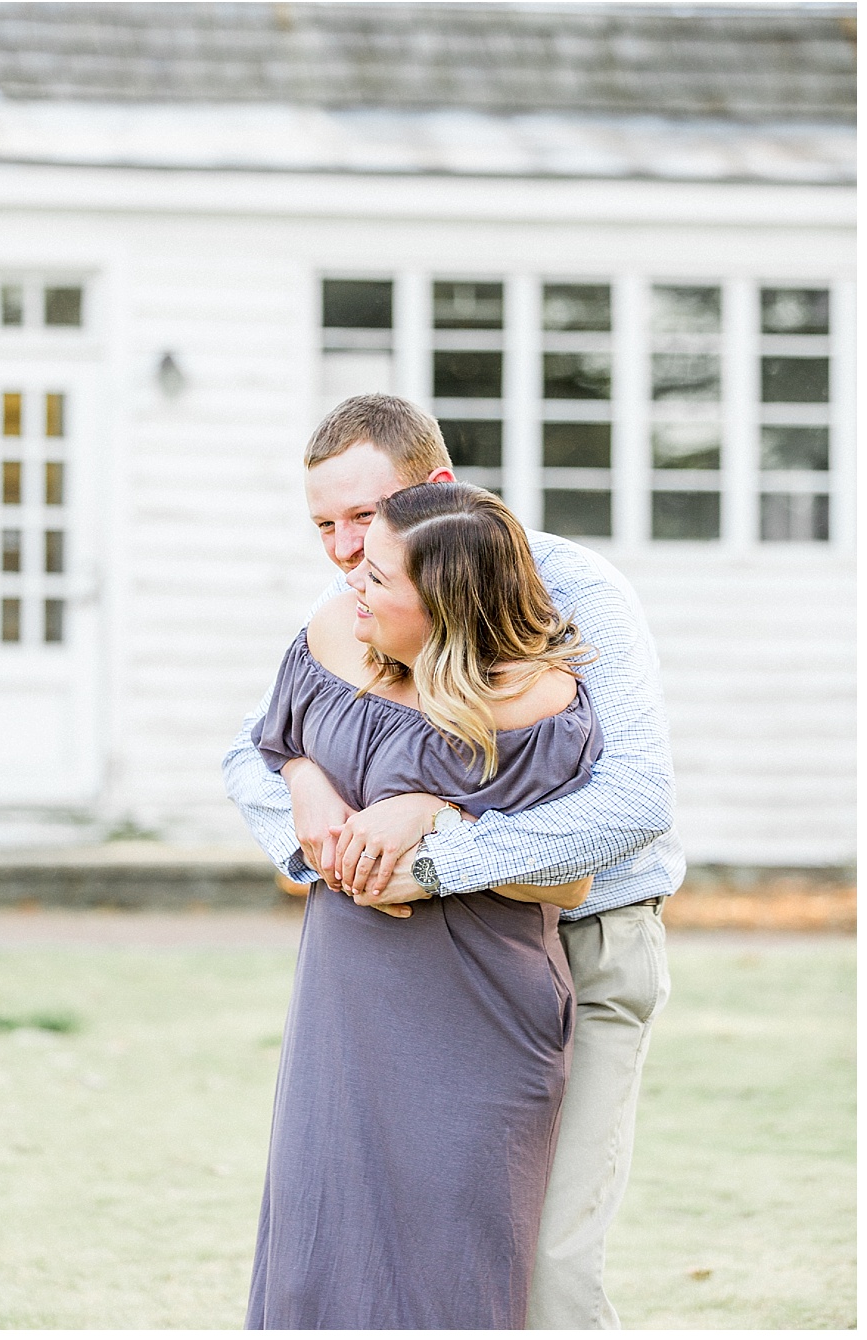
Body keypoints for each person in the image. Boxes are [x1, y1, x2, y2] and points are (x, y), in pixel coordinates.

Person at [224, 394, 682, 1329]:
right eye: (326, 526)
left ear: (439, 492)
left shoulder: (572, 591)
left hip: (581, 950)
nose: (348, 550)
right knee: (343, 1248)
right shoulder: (360, 605)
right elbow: (256, 748)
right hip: (394, 975)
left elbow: (633, 801)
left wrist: (432, 845)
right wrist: (311, 808)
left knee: (541, 1274)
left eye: (367, 516)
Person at [247, 480, 599, 1327]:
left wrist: (440, 814)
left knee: (452, 1274)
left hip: (473, 1016)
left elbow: (567, 881)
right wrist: (303, 782)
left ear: (443, 603)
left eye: (377, 577)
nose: (352, 586)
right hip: (344, 997)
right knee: (315, 1254)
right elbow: (280, 746)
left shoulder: (535, 701)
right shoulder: (335, 637)